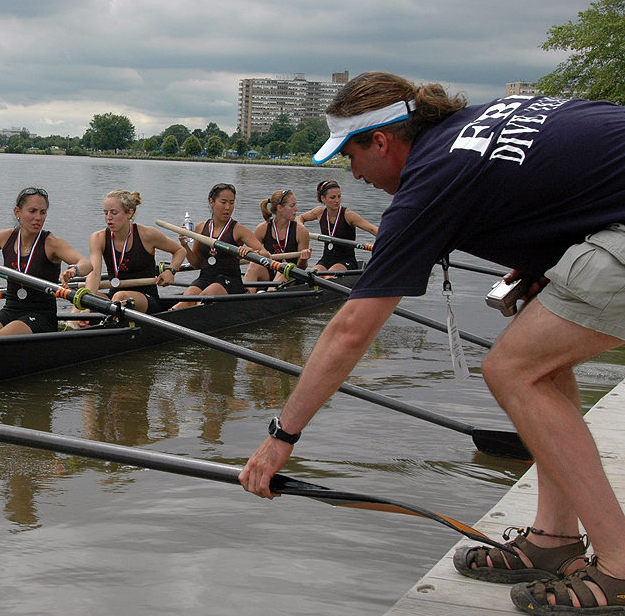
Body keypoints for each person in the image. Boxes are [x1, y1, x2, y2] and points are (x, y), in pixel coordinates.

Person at [238, 71, 625, 615]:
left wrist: (283, 437)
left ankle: (621, 567)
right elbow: (573, 175)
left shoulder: (428, 180)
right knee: (538, 356)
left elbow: (351, 330)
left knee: (513, 370)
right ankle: (554, 538)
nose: (352, 173)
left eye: (350, 156)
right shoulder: (471, 127)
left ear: (382, 141)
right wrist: (543, 263)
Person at [0, 187, 90, 344]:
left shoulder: (52, 243)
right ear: (17, 212)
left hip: (41, 316)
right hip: (11, 309)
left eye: (42, 212)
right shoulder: (4, 237)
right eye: (32, 211)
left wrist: (73, 269)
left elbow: (87, 264)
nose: (38, 218)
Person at [81, 190, 186, 315]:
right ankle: (74, 325)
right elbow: (94, 275)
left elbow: (180, 250)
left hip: (146, 298)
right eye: (105, 213)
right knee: (83, 295)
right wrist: (86, 304)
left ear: (130, 213)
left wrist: (171, 270)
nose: (108, 217)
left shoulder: (147, 235)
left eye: (114, 213)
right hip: (115, 297)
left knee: (120, 296)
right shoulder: (98, 238)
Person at [172, 183, 265, 310]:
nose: (228, 207)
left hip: (229, 280)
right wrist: (185, 246)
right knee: (188, 297)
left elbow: (266, 254)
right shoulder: (201, 227)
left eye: (231, 203)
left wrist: (251, 251)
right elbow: (196, 264)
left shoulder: (239, 230)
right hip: (205, 277)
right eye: (223, 202)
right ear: (212, 202)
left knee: (205, 296)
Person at [299, 179, 377, 272]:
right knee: (311, 276)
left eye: (339, 197)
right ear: (323, 198)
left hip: (346, 261)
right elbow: (300, 218)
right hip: (326, 260)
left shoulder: (348, 215)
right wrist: (301, 228)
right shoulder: (319, 212)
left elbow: (372, 229)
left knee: (329, 276)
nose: (337, 200)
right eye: (332, 197)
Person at [243, 189, 312, 291]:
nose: (296, 209)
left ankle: (269, 296)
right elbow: (252, 257)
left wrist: (303, 260)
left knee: (284, 267)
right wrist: (251, 252)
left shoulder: (301, 231)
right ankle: (246, 296)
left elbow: (302, 268)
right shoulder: (262, 229)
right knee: (254, 264)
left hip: (291, 276)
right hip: (269, 273)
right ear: (280, 208)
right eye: (292, 206)